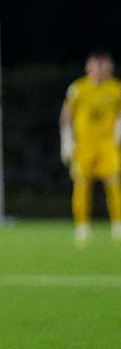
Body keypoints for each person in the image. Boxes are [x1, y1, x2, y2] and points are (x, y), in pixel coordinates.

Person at [59, 49, 121, 243]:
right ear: (89, 66)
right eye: (96, 65)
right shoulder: (78, 88)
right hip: (84, 145)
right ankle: (82, 226)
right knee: (81, 184)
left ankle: (118, 224)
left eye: (104, 65)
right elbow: (66, 115)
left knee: (114, 182)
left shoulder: (116, 89)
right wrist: (66, 140)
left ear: (110, 67)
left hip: (108, 144)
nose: (100, 69)